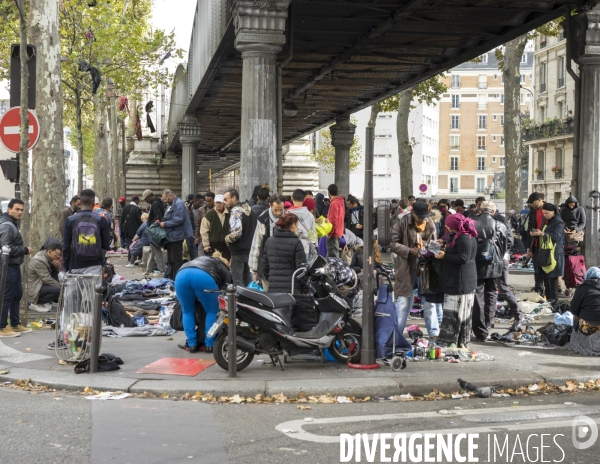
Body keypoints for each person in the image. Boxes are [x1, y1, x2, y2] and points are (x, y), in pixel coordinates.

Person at [390, 201, 438, 338]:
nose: (422, 219)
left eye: (424, 216)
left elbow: (435, 243)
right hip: (406, 267)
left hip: (425, 267)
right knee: (404, 302)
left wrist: (430, 252)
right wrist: (409, 251)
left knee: (430, 301)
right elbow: (393, 243)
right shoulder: (402, 223)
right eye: (420, 217)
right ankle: (397, 333)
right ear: (413, 213)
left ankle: (434, 332)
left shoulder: (430, 223)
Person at [434, 214, 478, 348]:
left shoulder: (464, 238)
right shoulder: (460, 235)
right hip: (458, 280)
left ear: (454, 226)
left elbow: (463, 258)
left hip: (460, 281)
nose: (446, 227)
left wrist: (445, 255)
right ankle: (457, 341)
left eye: (448, 225)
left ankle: (453, 340)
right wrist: (444, 243)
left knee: (456, 312)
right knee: (457, 311)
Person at [175, 253, 232, 353]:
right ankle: (209, 344)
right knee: (212, 311)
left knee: (187, 312)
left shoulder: (200, 259)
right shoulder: (224, 268)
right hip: (203, 276)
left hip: (181, 274)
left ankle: (192, 344)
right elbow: (225, 291)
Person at [472, 201, 510, 341]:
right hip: (494, 263)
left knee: (478, 295)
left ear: (480, 210)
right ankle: (488, 323)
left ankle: (480, 329)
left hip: (476, 263)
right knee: (491, 293)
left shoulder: (472, 223)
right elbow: (506, 245)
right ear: (493, 212)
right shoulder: (500, 225)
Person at [0, 199, 33, 337]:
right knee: (6, 296)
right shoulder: (8, 226)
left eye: (21, 210)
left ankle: (14, 323)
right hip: (7, 266)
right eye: (17, 209)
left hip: (13, 265)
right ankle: (1, 326)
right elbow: (5, 248)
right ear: (9, 209)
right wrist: (24, 250)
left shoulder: (11, 224)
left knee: (16, 294)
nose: (20, 212)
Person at [491, 204, 524, 331]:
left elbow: (509, 241)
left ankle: (518, 314)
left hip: (500, 258)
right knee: (491, 289)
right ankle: (490, 318)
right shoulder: (490, 221)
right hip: (494, 259)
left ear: (493, 212)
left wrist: (497, 247)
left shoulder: (502, 221)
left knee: (502, 288)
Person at [63, 189, 111, 272]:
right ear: (93, 204)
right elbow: (106, 245)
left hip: (75, 265)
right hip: (96, 264)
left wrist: (65, 267)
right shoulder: (101, 220)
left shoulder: (70, 220)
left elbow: (66, 247)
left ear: (80, 203)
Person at [262, 213, 308, 294]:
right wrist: (305, 289)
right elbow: (301, 269)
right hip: (293, 289)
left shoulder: (269, 241)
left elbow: (265, 266)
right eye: (297, 225)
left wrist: (272, 279)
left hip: (274, 288)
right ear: (293, 225)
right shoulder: (296, 243)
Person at [529, 203, 565, 306]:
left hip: (555, 253)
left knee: (553, 277)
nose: (545, 215)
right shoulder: (545, 221)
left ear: (553, 212)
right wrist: (536, 233)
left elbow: (556, 237)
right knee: (546, 276)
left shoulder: (559, 222)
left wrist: (543, 234)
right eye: (544, 213)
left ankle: (553, 300)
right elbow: (542, 233)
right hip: (544, 251)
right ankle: (548, 299)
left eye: (547, 213)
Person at [249, 195, 285, 290]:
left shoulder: (287, 218)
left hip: (284, 263)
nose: (278, 213)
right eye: (275, 210)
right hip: (267, 263)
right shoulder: (263, 219)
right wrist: (254, 269)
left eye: (281, 210)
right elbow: (256, 244)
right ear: (270, 205)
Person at [224, 189, 257, 287]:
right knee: (248, 279)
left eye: (226, 199)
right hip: (250, 250)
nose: (224, 203)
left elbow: (236, 234)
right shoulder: (250, 209)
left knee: (237, 281)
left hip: (238, 252)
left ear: (234, 198)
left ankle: (239, 301)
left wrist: (226, 239)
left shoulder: (235, 211)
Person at [566, 267, 600, 355]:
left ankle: (578, 341)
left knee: (575, 317)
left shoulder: (582, 287)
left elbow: (573, 309)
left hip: (587, 327)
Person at [160, 189, 194, 279]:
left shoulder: (179, 204)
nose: (164, 201)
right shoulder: (171, 205)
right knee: (171, 260)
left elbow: (179, 219)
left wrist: (165, 224)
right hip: (171, 236)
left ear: (170, 196)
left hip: (176, 236)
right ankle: (171, 278)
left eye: (165, 199)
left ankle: (177, 279)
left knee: (176, 260)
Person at [27, 238, 62, 312]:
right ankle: (34, 303)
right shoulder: (39, 260)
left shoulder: (47, 256)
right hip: (35, 289)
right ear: (49, 252)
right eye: (56, 254)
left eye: (59, 255)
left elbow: (53, 275)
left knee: (58, 276)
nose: (58, 257)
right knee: (58, 290)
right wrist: (63, 287)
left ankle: (46, 302)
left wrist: (55, 267)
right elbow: (47, 279)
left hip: (41, 284)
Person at [525, 192, 547, 296]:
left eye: (533, 203)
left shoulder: (549, 209)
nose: (531, 205)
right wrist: (529, 247)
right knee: (536, 268)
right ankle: (538, 288)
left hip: (546, 244)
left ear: (539, 200)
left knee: (547, 268)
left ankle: (549, 289)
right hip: (535, 243)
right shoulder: (532, 211)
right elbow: (530, 226)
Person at [141, 189, 166, 277]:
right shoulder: (156, 203)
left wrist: (151, 229)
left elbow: (157, 217)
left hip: (154, 231)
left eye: (146, 199)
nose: (146, 201)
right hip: (154, 230)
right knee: (152, 250)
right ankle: (149, 270)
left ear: (150, 196)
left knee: (156, 250)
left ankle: (162, 270)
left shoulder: (155, 204)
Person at [289, 188, 318, 262]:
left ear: (292, 198)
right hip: (305, 248)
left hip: (290, 248)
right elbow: (313, 236)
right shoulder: (310, 216)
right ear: (304, 199)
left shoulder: (287, 215)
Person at [201, 194, 230, 260]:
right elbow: (204, 230)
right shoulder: (209, 214)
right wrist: (206, 245)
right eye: (216, 202)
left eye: (220, 202)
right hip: (213, 245)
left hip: (226, 245)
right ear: (214, 203)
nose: (218, 204)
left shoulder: (229, 213)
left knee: (226, 264)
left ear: (223, 203)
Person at [326, 184, 345, 258]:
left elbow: (334, 221)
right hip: (339, 231)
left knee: (333, 257)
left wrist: (329, 234)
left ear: (329, 192)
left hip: (334, 233)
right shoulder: (340, 202)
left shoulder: (334, 203)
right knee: (335, 255)